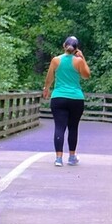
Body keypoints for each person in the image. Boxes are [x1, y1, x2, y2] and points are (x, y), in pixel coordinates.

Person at [42, 36, 91, 167]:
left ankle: (58, 158)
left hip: (58, 97)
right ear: (76, 49)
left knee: (59, 127)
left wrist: (46, 89)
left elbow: (49, 77)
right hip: (76, 98)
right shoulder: (79, 61)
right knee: (73, 127)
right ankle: (72, 156)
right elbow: (87, 76)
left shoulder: (56, 60)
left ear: (64, 45)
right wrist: (83, 58)